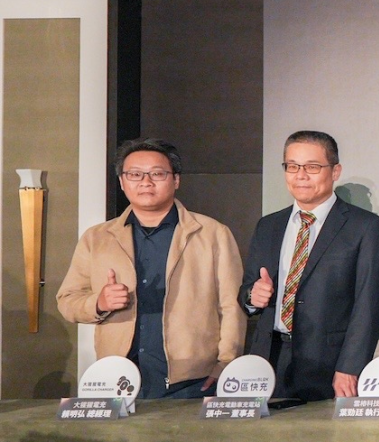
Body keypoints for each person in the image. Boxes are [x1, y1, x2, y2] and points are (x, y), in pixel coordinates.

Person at [57, 138, 245, 400]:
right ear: (122, 182)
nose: (145, 182)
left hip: (192, 379)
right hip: (118, 377)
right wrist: (99, 303)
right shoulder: (97, 237)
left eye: (157, 174)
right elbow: (67, 301)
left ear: (175, 180)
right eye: (134, 174)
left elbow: (231, 305)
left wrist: (226, 362)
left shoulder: (212, 233)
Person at [240, 131, 379, 401]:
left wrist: (350, 367)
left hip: (330, 364)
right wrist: (253, 296)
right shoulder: (269, 225)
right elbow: (247, 289)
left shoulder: (365, 227)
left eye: (312, 167)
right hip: (269, 360)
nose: (301, 175)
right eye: (292, 166)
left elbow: (369, 305)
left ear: (335, 171)